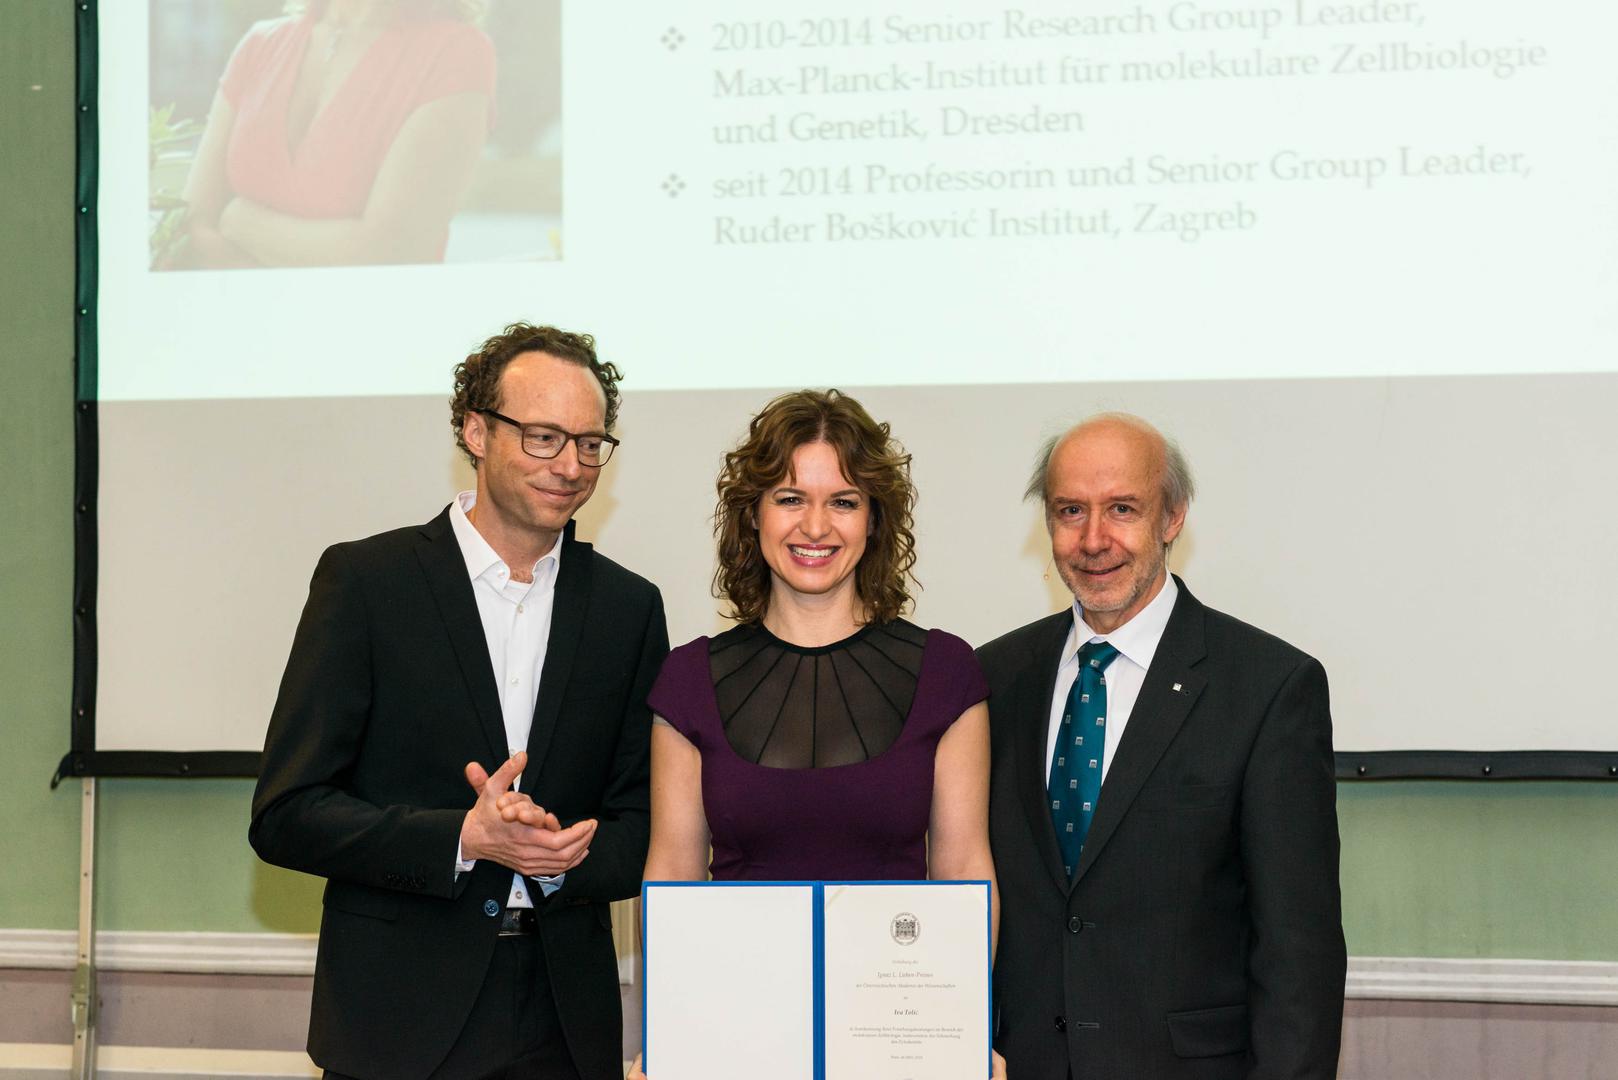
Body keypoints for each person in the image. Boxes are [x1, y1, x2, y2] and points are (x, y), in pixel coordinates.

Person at [250, 323, 668, 1080]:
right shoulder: (367, 585)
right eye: (543, 437)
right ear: (476, 431)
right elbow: (288, 813)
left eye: (589, 443)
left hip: (565, 1023)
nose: (571, 466)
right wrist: (463, 839)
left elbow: (644, 822)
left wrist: (559, 860)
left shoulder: (628, 609)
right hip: (396, 1020)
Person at [632, 389, 1003, 1078]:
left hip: (898, 1046)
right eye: (790, 498)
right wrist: (668, 1037)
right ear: (753, 514)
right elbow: (672, 877)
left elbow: (963, 872)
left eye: (844, 501)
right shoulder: (687, 680)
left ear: (874, 519)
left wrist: (964, 1032)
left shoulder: (947, 672)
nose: (816, 526)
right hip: (733, 1039)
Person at [979, 413, 1346, 1080]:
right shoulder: (994, 679)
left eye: (1122, 509)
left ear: (1173, 517)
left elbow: (1298, 951)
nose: (1094, 539)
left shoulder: (1268, 687)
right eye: (1070, 511)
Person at [172, 0, 494, 269]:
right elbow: (191, 227)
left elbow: (389, 254)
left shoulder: (455, 53)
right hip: (242, 321)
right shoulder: (259, 45)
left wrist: (241, 222)